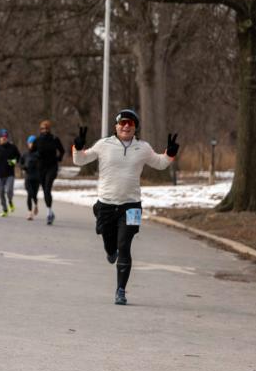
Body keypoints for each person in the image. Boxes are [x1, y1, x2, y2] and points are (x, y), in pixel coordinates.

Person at [72, 109, 179, 305]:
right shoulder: (104, 144)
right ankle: (109, 249)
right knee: (110, 244)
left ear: (135, 127)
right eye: (122, 123)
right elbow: (80, 160)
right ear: (116, 126)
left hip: (131, 206)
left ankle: (120, 290)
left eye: (130, 123)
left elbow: (160, 163)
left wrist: (170, 153)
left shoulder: (143, 147)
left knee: (124, 246)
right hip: (106, 203)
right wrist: (78, 148)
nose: (126, 126)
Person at [33, 119, 65, 225]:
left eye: (46, 128)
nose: (45, 130)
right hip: (41, 167)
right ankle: (50, 211)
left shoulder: (54, 139)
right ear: (40, 129)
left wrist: (59, 158)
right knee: (45, 190)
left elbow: (62, 150)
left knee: (47, 188)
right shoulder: (37, 140)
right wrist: (36, 157)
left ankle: (48, 213)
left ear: (49, 129)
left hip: (52, 167)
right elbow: (32, 151)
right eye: (43, 128)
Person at [0, 129, 21, 217]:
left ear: (7, 138)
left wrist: (14, 161)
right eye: (2, 137)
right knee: (1, 193)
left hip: (10, 174)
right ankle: (5, 209)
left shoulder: (13, 147)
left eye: (5, 137)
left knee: (9, 191)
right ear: (0, 138)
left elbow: (19, 157)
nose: (3, 138)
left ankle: (10, 201)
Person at [21, 135, 42, 220]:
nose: (31, 144)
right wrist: (23, 167)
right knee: (30, 194)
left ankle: (36, 205)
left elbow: (42, 165)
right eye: (30, 143)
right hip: (28, 177)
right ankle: (30, 213)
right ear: (28, 143)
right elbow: (20, 163)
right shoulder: (25, 154)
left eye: (33, 143)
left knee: (34, 195)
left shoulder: (38, 154)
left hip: (36, 177)